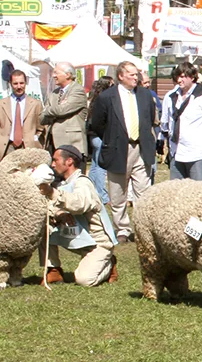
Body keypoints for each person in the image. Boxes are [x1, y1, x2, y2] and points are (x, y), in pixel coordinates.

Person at [90, 61, 157, 244]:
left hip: (141, 148)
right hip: (118, 148)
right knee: (118, 192)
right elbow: (97, 124)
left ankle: (143, 229)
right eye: (132, 74)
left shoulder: (144, 95)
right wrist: (112, 138)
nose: (136, 77)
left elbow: (149, 118)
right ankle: (122, 230)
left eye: (137, 74)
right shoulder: (107, 97)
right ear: (121, 76)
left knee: (143, 192)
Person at [38, 145, 118, 287]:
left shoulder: (83, 183)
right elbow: (51, 208)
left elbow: (79, 204)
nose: (52, 164)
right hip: (77, 236)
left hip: (97, 242)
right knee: (43, 225)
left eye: (56, 160)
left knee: (84, 280)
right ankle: (53, 269)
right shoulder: (62, 183)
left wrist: (51, 192)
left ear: (69, 161)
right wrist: (59, 214)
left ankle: (109, 264)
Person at [161, 62, 202, 180]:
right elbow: (166, 123)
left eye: (183, 76)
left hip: (197, 154)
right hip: (176, 153)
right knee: (176, 193)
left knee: (198, 194)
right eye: (177, 76)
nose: (179, 80)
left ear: (192, 77)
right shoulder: (171, 96)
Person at [0, 70, 44, 161]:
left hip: (28, 148)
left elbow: (41, 128)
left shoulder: (36, 104)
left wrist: (36, 143)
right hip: (7, 148)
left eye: (21, 83)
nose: (19, 86)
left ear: (26, 83)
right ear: (10, 83)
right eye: (15, 83)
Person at [40, 62, 88, 156]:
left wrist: (48, 110)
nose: (53, 76)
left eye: (56, 73)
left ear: (68, 75)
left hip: (72, 146)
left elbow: (62, 110)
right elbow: (42, 118)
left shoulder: (77, 90)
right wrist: (52, 110)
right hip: (52, 144)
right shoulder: (54, 93)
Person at [86, 77, 114, 204]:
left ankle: (91, 190)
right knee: (101, 167)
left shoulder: (93, 98)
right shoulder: (103, 100)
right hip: (99, 136)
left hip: (93, 136)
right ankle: (102, 196)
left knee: (94, 165)